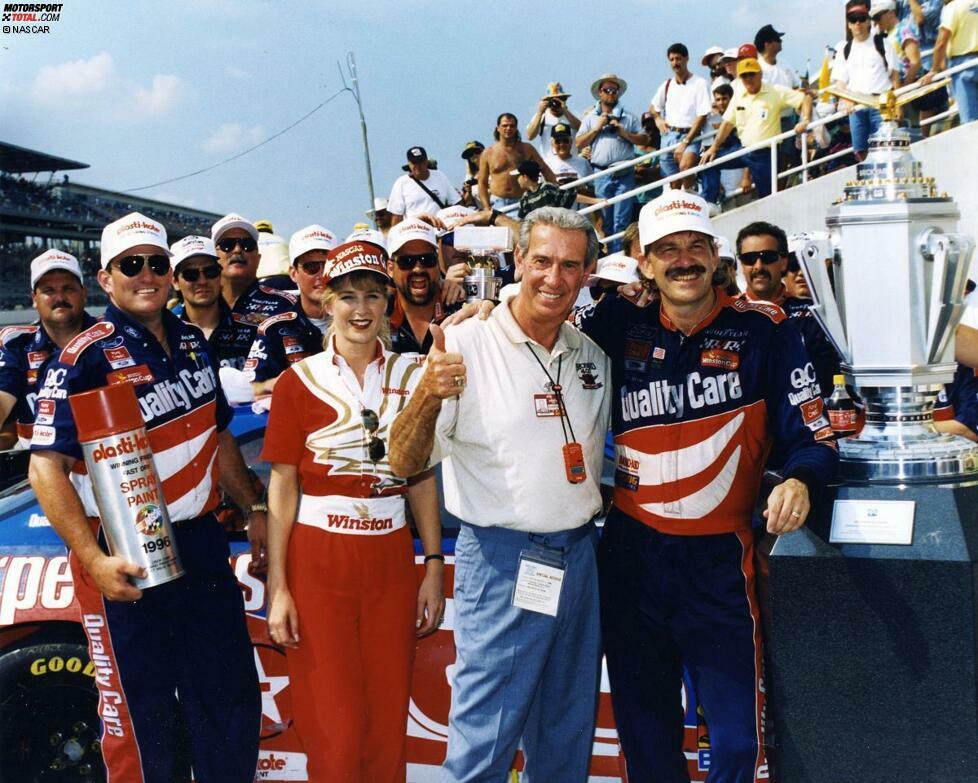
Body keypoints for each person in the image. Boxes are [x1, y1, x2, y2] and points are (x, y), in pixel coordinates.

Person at [574, 191, 837, 783]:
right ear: (644, 262)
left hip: (720, 560)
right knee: (648, 743)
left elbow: (815, 436)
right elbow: (536, 336)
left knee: (739, 743)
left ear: (717, 255)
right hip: (631, 556)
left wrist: (799, 479)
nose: (683, 260)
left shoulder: (765, 329)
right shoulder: (617, 323)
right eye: (668, 250)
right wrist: (482, 308)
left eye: (695, 245)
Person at [28, 212, 264, 783]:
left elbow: (217, 434)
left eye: (157, 264)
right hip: (125, 556)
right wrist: (92, 559)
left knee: (228, 700)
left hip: (203, 547)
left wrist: (255, 507)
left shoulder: (189, 339)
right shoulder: (82, 356)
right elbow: (44, 468)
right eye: (131, 265)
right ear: (106, 279)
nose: (147, 275)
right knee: (143, 721)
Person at [389, 207, 610, 783]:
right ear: (518, 261)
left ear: (588, 272)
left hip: (579, 554)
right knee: (484, 739)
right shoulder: (463, 340)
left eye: (569, 264)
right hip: (503, 558)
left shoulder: (592, 355)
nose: (553, 278)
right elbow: (403, 462)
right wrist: (427, 395)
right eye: (541, 261)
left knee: (565, 735)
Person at [263, 239, 443, 783]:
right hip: (319, 559)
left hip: (391, 554)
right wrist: (279, 586)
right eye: (347, 297)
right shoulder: (298, 380)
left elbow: (421, 478)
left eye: (371, 295)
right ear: (326, 303)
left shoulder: (416, 375)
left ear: (388, 303)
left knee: (388, 723)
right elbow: (283, 484)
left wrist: (432, 563)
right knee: (335, 731)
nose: (360, 309)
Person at [0, 250, 96, 448]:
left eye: (68, 288)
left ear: (84, 293)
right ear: (34, 298)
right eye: (48, 290)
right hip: (43, 472)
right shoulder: (17, 349)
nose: (59, 297)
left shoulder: (113, 338)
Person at [736, 220, 841, 396]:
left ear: (782, 262)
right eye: (749, 259)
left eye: (767, 257)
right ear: (741, 265)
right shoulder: (725, 315)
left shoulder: (814, 314)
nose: (758, 266)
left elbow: (830, 380)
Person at [701, 57, 813, 198]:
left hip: (765, 153)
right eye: (744, 75)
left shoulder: (774, 91)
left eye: (751, 74)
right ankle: (710, 202)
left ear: (760, 74)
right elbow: (728, 123)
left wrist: (805, 120)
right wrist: (714, 147)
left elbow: (805, 99)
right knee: (708, 162)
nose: (748, 79)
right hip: (744, 150)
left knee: (767, 196)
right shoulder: (739, 95)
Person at [245, 225, 334, 396]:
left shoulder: (356, 321)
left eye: (327, 266)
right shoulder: (273, 329)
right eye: (311, 267)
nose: (321, 275)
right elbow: (251, 388)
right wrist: (274, 384)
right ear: (293, 274)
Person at [213, 212, 297, 369]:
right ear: (213, 257)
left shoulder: (286, 305)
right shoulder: (196, 306)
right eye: (227, 245)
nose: (237, 250)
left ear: (258, 259)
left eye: (247, 245)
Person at [576, 73, 649, 251]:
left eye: (614, 90)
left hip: (624, 173)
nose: (610, 93)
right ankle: (611, 256)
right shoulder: (591, 118)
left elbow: (644, 140)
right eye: (606, 90)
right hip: (601, 174)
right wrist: (597, 128)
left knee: (621, 221)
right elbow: (578, 143)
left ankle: (621, 256)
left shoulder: (628, 117)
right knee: (606, 222)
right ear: (599, 93)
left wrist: (624, 133)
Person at [832, 0, 901, 160]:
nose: (858, 23)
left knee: (887, 147)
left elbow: (895, 77)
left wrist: (897, 105)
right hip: (857, 107)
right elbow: (840, 84)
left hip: (881, 104)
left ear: (868, 21)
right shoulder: (844, 50)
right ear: (848, 24)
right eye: (853, 19)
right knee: (861, 150)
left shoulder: (882, 43)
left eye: (862, 18)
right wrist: (846, 100)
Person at [386, 219, 465, 359]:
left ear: (437, 263)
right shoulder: (380, 314)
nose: (418, 269)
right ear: (390, 269)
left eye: (427, 259)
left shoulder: (462, 306)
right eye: (407, 261)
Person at [170, 235, 242, 370]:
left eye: (210, 272)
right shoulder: (164, 335)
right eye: (190, 274)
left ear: (220, 276)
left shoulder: (253, 329)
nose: (202, 281)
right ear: (175, 282)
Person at [648, 43, 713, 189]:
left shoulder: (700, 83)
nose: (675, 63)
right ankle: (680, 206)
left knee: (686, 167)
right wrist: (658, 119)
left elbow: (702, 115)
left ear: (686, 59)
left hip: (690, 134)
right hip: (669, 135)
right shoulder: (667, 84)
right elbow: (652, 107)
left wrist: (686, 141)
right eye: (671, 59)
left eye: (678, 58)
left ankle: (690, 195)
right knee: (673, 181)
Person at [478, 113, 555, 211]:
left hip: (522, 200)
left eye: (512, 126)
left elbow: (544, 169)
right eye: (505, 125)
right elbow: (482, 183)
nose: (508, 128)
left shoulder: (527, 149)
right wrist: (486, 206)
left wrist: (556, 189)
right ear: (498, 128)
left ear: (516, 128)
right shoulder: (488, 153)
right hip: (498, 202)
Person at [924, 0, 978, 125]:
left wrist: (933, 70)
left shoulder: (952, 8)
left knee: (970, 120)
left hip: (962, 66)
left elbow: (941, 42)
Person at [700, 81, 750, 207]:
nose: (721, 102)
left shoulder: (742, 116)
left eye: (724, 99)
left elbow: (750, 148)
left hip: (740, 175)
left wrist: (746, 177)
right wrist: (716, 185)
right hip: (723, 177)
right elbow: (707, 150)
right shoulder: (711, 121)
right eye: (718, 99)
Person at [388, 147, 461, 225]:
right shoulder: (401, 183)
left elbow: (457, 203)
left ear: (426, 162)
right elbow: (397, 216)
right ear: (409, 164)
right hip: (416, 230)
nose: (418, 166)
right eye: (414, 163)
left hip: (440, 228)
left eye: (421, 162)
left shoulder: (440, 176)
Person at [526, 82, 583, 156]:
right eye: (552, 100)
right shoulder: (542, 117)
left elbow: (582, 130)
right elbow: (530, 136)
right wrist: (540, 113)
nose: (555, 103)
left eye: (560, 99)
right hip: (549, 163)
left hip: (571, 162)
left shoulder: (573, 116)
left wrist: (565, 111)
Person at [512, 159, 576, 217]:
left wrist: (586, 200)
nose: (517, 179)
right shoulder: (525, 198)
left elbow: (571, 196)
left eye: (518, 176)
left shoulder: (546, 188)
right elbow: (521, 219)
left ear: (525, 177)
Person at [460, 140, 485, 208]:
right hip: (485, 212)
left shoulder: (495, 168)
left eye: (477, 152)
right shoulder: (469, 177)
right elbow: (467, 202)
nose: (474, 155)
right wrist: (469, 191)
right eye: (470, 154)